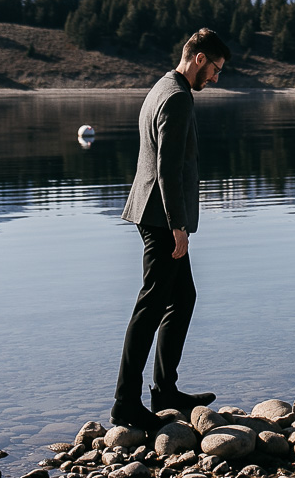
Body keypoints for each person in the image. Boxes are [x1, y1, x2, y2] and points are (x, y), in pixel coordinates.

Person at [111, 28, 230, 429]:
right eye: (215, 68)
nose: (215, 78)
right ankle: (125, 403)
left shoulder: (163, 86)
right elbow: (167, 168)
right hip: (162, 218)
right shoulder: (177, 97)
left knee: (182, 297)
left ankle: (165, 390)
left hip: (153, 213)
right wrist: (178, 225)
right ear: (198, 59)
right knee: (150, 308)